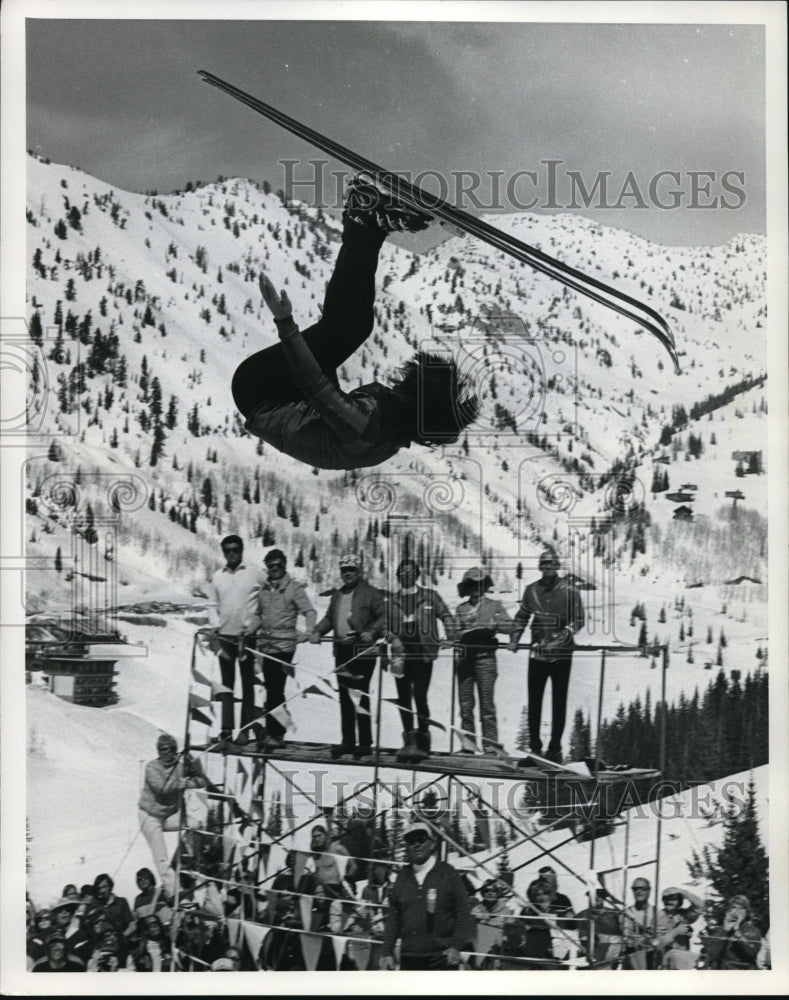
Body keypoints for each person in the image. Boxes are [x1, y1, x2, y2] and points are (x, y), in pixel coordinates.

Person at [231, 175, 479, 472]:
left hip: (259, 391)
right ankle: (371, 227)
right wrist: (329, 343)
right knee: (353, 326)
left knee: (345, 328)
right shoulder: (389, 431)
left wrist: (286, 322)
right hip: (286, 398)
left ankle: (362, 218)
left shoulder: (371, 426)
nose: (402, 382)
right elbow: (325, 414)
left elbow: (317, 389)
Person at [508, 547, 585, 763]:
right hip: (537, 654)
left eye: (552, 564)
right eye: (544, 564)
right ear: (540, 567)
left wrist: (563, 636)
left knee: (559, 701)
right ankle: (534, 748)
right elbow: (522, 616)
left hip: (562, 655)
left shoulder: (570, 590)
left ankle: (554, 749)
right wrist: (515, 637)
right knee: (534, 701)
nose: (548, 567)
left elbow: (578, 619)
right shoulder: (531, 591)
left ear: (558, 566)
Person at [310, 553, 386, 760]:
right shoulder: (337, 595)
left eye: (352, 570)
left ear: (359, 571)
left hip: (362, 651)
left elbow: (384, 616)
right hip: (342, 649)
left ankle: (364, 743)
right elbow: (328, 619)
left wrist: (372, 632)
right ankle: (348, 741)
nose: (348, 574)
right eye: (345, 570)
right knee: (344, 696)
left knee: (360, 695)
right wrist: (318, 631)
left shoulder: (371, 594)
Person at [384, 558, 456, 763]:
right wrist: (393, 639)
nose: (406, 575)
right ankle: (408, 741)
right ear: (398, 576)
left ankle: (423, 741)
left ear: (417, 575)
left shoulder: (430, 596)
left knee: (420, 695)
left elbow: (446, 615)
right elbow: (384, 628)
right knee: (403, 697)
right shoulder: (392, 601)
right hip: (398, 655)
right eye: (402, 572)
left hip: (423, 652)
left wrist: (451, 636)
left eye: (410, 572)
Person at [380, 819, 475, 970]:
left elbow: (463, 913)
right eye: (411, 841)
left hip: (443, 958)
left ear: (432, 844)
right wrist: (387, 952)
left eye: (421, 839)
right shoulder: (402, 878)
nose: (416, 844)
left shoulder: (447, 873)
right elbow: (393, 918)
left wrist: (456, 946)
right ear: (407, 847)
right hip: (409, 958)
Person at [255, 548, 316, 751]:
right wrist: (248, 631)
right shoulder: (263, 590)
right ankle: (274, 728)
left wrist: (308, 631)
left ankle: (276, 733)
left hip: (284, 645)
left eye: (278, 565)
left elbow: (309, 611)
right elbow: (258, 615)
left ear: (284, 565)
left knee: (275, 688)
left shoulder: (294, 588)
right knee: (272, 688)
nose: (274, 569)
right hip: (265, 645)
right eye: (270, 565)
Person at [207, 534, 265, 745]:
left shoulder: (255, 572)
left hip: (247, 638)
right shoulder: (217, 576)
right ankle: (227, 729)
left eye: (235, 550)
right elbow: (212, 605)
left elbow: (268, 596)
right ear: (224, 552)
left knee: (248, 685)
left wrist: (255, 625)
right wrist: (215, 625)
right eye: (228, 550)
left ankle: (246, 729)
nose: (232, 554)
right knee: (226, 686)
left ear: (242, 551)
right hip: (225, 639)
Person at [138, 733, 207, 899]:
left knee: (196, 824)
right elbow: (161, 788)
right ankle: (174, 892)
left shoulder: (180, 766)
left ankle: (187, 861)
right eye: (162, 750)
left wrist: (189, 782)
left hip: (169, 815)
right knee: (160, 857)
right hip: (150, 816)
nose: (166, 754)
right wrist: (179, 784)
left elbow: (202, 780)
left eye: (169, 750)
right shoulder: (151, 767)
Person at [453, 567, 513, 755]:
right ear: (466, 588)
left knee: (487, 705)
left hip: (485, 659)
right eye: (471, 585)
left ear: (484, 586)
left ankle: (490, 745)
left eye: (479, 585)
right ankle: (468, 745)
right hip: (464, 660)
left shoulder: (494, 606)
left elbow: (510, 626)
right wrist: (461, 635)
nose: (475, 589)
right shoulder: (461, 609)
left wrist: (496, 625)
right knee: (466, 705)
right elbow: (454, 633)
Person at [701, 894, 762, 970]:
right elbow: (711, 954)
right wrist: (725, 930)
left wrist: (737, 931)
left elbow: (752, 952)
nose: (736, 911)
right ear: (729, 910)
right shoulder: (720, 929)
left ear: (747, 912)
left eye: (741, 909)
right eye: (734, 907)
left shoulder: (753, 930)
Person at [654, 885, 703, 969]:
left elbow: (700, 906)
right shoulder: (658, 917)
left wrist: (683, 892)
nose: (669, 902)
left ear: (680, 901)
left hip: (682, 962)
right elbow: (657, 943)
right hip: (665, 964)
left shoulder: (683, 915)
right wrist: (675, 932)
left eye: (673, 899)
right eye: (666, 898)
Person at [577, 888, 624, 968]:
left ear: (604, 897)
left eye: (600, 895)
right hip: (593, 952)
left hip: (613, 951)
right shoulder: (583, 915)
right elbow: (583, 939)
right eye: (594, 895)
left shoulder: (614, 913)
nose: (597, 897)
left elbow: (621, 934)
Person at [621, 876, 659, 969]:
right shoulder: (627, 913)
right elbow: (626, 938)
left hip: (652, 959)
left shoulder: (656, 912)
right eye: (635, 889)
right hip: (633, 958)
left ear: (649, 892)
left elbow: (660, 937)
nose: (638, 892)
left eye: (642, 889)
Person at [93, 874, 134, 938]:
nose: (102, 891)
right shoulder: (96, 905)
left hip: (122, 941)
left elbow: (132, 925)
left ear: (110, 887)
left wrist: (121, 937)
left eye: (104, 887)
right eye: (99, 888)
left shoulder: (121, 902)